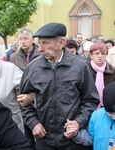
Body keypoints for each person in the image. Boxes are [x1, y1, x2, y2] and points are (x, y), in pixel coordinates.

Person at [19, 22, 99, 150]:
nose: (40, 48)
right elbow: (23, 102)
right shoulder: (32, 68)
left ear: (61, 43)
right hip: (44, 140)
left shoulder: (80, 67)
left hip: (72, 141)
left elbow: (91, 100)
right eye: (39, 43)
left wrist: (78, 122)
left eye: (45, 43)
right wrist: (33, 123)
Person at [72, 81, 115, 150]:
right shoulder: (97, 116)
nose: (114, 117)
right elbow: (90, 138)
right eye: (110, 113)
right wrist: (76, 134)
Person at [89, 42, 115, 107]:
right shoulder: (84, 70)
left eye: (103, 53)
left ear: (106, 55)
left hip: (107, 107)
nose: (100, 56)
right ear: (91, 55)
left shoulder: (113, 71)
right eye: (97, 53)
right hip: (87, 106)